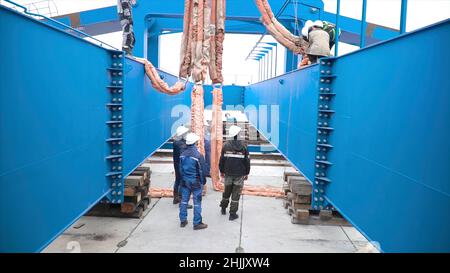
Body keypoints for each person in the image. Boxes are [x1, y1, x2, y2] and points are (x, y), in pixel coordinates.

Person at [219, 125, 251, 221]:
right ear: (238, 134)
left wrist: (222, 171)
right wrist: (246, 173)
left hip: (228, 173)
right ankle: (232, 214)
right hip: (239, 174)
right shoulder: (244, 146)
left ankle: (223, 208)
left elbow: (222, 160)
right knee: (236, 194)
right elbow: (247, 161)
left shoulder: (225, 145)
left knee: (226, 191)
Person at [179, 133, 208, 230]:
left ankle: (183, 220)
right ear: (195, 142)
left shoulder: (182, 155)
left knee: (184, 201)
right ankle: (197, 223)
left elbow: (180, 170)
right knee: (197, 202)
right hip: (195, 182)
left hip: (185, 181)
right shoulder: (198, 156)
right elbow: (204, 171)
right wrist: (203, 181)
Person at [172, 125, 189, 205]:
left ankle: (176, 198)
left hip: (177, 164)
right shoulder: (181, 144)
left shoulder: (176, 142)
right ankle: (182, 200)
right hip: (181, 165)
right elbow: (184, 156)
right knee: (182, 181)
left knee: (177, 180)